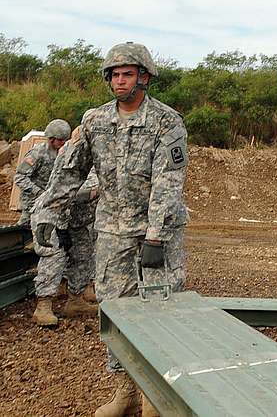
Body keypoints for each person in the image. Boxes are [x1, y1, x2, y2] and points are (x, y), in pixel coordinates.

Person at [34, 42, 188, 417]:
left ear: (145, 78)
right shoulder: (95, 121)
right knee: (116, 312)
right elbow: (69, 172)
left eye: (128, 74)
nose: (120, 81)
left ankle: (157, 395)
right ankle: (127, 393)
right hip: (112, 232)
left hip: (158, 235)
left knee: (159, 311)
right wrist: (47, 214)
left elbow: (168, 181)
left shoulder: (167, 122)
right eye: (115, 75)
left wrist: (155, 236)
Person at [29, 123, 100, 327]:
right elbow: (71, 190)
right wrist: (98, 190)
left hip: (75, 220)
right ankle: (43, 306)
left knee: (83, 253)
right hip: (51, 214)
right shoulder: (73, 158)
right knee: (54, 256)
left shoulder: (101, 161)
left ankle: (75, 300)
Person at [13, 118, 71, 226]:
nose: (63, 143)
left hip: (52, 204)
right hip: (32, 204)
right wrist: (39, 192)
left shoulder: (65, 153)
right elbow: (19, 177)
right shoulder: (37, 154)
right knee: (23, 233)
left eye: (65, 140)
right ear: (51, 139)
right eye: (60, 140)